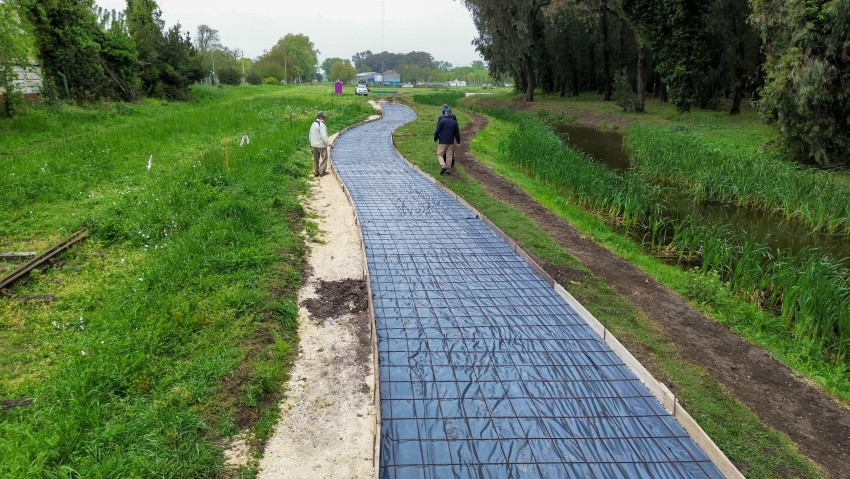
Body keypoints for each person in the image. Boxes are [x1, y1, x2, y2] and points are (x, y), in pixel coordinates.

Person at [434, 107, 460, 175]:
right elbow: (457, 133)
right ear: (451, 114)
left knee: (439, 154)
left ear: (445, 114)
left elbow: (437, 131)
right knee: (449, 156)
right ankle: (448, 170)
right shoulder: (454, 122)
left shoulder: (442, 121)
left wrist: (435, 138)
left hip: (442, 141)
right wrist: (458, 141)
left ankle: (443, 165)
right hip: (450, 142)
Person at [309, 111, 332, 176]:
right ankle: (322, 172)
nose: (325, 118)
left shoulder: (313, 124)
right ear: (322, 117)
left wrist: (311, 144)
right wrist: (329, 144)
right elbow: (323, 136)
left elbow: (310, 135)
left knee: (316, 159)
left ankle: (316, 172)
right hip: (321, 145)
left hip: (314, 145)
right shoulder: (322, 125)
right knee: (324, 158)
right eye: (324, 117)